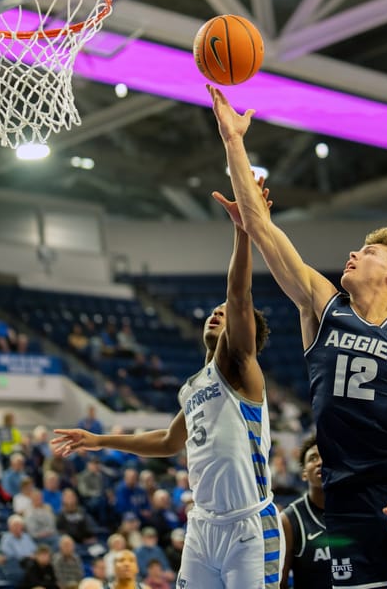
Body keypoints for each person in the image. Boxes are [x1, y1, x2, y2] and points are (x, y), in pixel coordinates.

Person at [209, 83, 387, 589]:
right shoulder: (322, 307)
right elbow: (260, 225)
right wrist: (233, 140)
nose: (354, 253)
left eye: (368, 252)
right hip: (345, 500)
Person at [53, 207, 280, 589]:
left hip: (248, 523)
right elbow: (168, 441)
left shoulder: (242, 369)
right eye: (214, 311)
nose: (217, 313)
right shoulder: (193, 387)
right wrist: (100, 440)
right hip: (203, 525)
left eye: (225, 314)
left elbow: (239, 296)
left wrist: (243, 233)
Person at [280, 435, 330, 589]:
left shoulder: (354, 511)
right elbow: (280, 582)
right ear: (303, 473)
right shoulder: (289, 519)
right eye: (313, 458)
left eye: (326, 457)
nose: (320, 462)